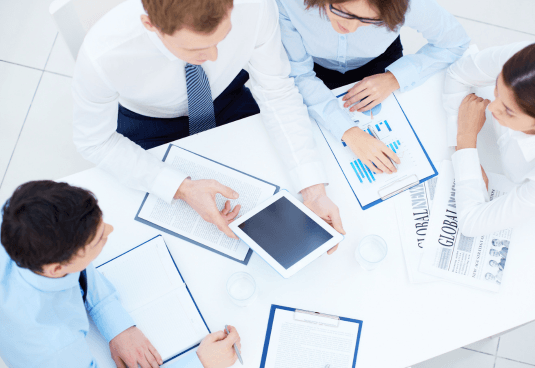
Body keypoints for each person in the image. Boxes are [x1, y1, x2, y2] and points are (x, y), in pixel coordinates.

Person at [72, 0, 345, 252]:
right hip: (149, 122)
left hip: (227, 98)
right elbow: (94, 142)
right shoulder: (104, 53)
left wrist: (313, 190)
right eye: (195, 48)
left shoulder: (254, 7)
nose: (213, 56)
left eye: (222, 39)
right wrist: (180, 187)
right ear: (150, 26)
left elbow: (277, 91)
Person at [0, 181, 241, 368]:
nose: (110, 231)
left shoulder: (17, 214)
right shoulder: (52, 349)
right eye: (97, 240)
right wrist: (202, 363)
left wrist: (114, 322)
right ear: (56, 269)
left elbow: (78, 266)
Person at [277, 0, 469, 175]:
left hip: (381, 64)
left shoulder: (409, 3)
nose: (350, 29)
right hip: (313, 67)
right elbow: (299, 74)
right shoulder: (289, 3)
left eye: (369, 20)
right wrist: (349, 133)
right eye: (343, 12)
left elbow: (455, 43)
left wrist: (395, 77)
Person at [444, 41, 535, 236]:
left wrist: (466, 139)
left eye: (509, 110)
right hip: (497, 153)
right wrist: (460, 145)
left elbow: (471, 224)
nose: (492, 107)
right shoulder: (527, 64)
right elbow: (457, 73)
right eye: (496, 90)